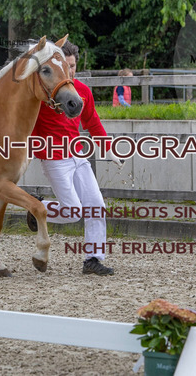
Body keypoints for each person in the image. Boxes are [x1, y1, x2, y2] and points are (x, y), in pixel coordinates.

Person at [27, 40, 122, 276]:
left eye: (72, 66)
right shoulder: (44, 93)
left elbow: (92, 122)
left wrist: (108, 149)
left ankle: (93, 259)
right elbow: (27, 122)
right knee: (72, 212)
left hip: (78, 155)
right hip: (53, 158)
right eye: (66, 66)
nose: (70, 71)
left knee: (96, 206)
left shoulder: (83, 91)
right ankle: (37, 208)